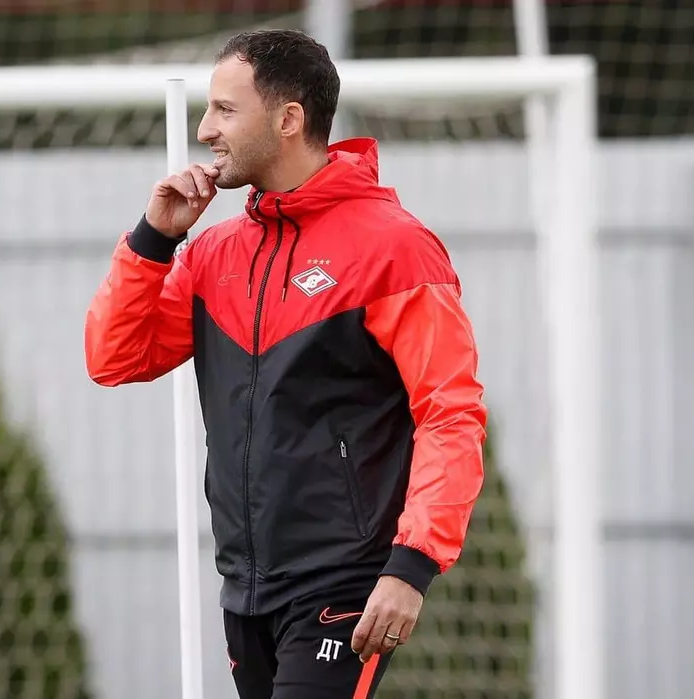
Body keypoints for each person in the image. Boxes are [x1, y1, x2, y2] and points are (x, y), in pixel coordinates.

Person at [83, 28, 488, 699]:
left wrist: (411, 566)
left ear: (288, 118)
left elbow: (451, 414)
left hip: (344, 582)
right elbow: (113, 357)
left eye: (225, 109)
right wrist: (154, 240)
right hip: (245, 587)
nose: (205, 129)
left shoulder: (395, 249)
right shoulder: (212, 253)